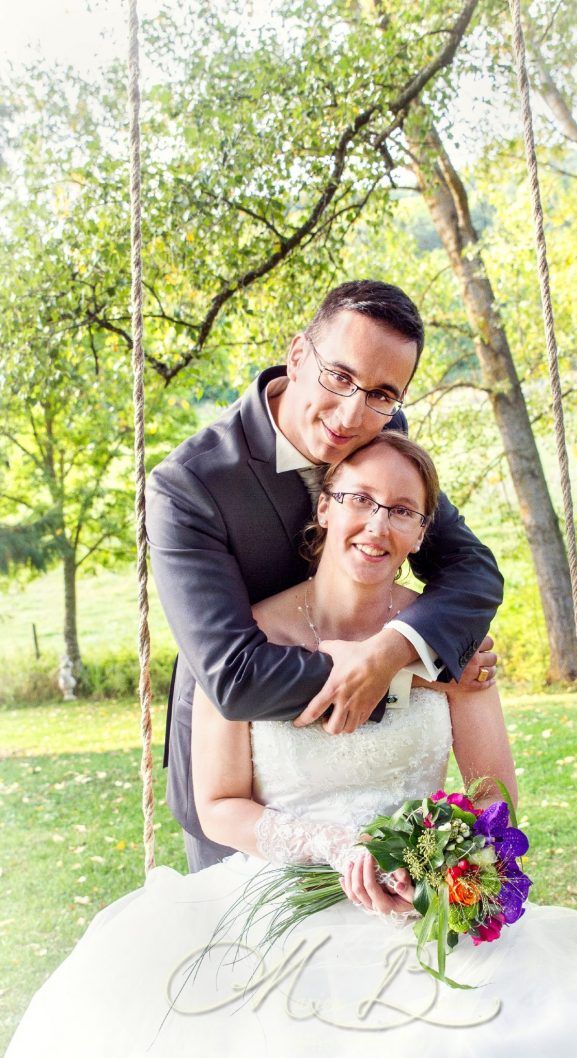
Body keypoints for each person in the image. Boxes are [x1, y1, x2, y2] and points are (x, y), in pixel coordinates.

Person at [7, 435, 577, 1058]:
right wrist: (336, 848)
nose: (377, 525)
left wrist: (437, 855)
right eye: (360, 500)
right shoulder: (244, 639)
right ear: (323, 508)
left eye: (402, 511)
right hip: (282, 897)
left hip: (420, 901)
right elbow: (219, 805)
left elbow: (494, 794)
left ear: (422, 531)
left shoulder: (449, 644)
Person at [145, 279, 504, 872]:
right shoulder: (189, 486)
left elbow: (472, 570)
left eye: (383, 394)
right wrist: (405, 671)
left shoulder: (381, 435)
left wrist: (395, 645)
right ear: (297, 355)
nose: (351, 415)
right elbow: (233, 678)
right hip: (249, 769)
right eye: (339, 377)